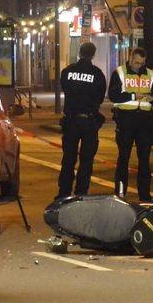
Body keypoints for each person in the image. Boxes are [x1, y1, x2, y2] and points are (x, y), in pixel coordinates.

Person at [108, 46, 153, 201]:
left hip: (144, 121)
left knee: (144, 159)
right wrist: (133, 96)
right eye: (136, 62)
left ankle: (144, 194)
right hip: (125, 119)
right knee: (123, 157)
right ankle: (120, 193)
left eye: (141, 63)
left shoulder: (150, 74)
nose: (139, 66)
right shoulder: (119, 72)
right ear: (130, 58)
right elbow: (113, 95)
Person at [56, 42, 107, 200]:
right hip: (89, 122)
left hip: (71, 121)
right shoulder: (97, 74)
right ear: (93, 54)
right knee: (86, 160)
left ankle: (64, 192)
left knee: (68, 158)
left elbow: (65, 88)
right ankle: (81, 193)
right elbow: (100, 97)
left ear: (79, 53)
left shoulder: (68, 71)